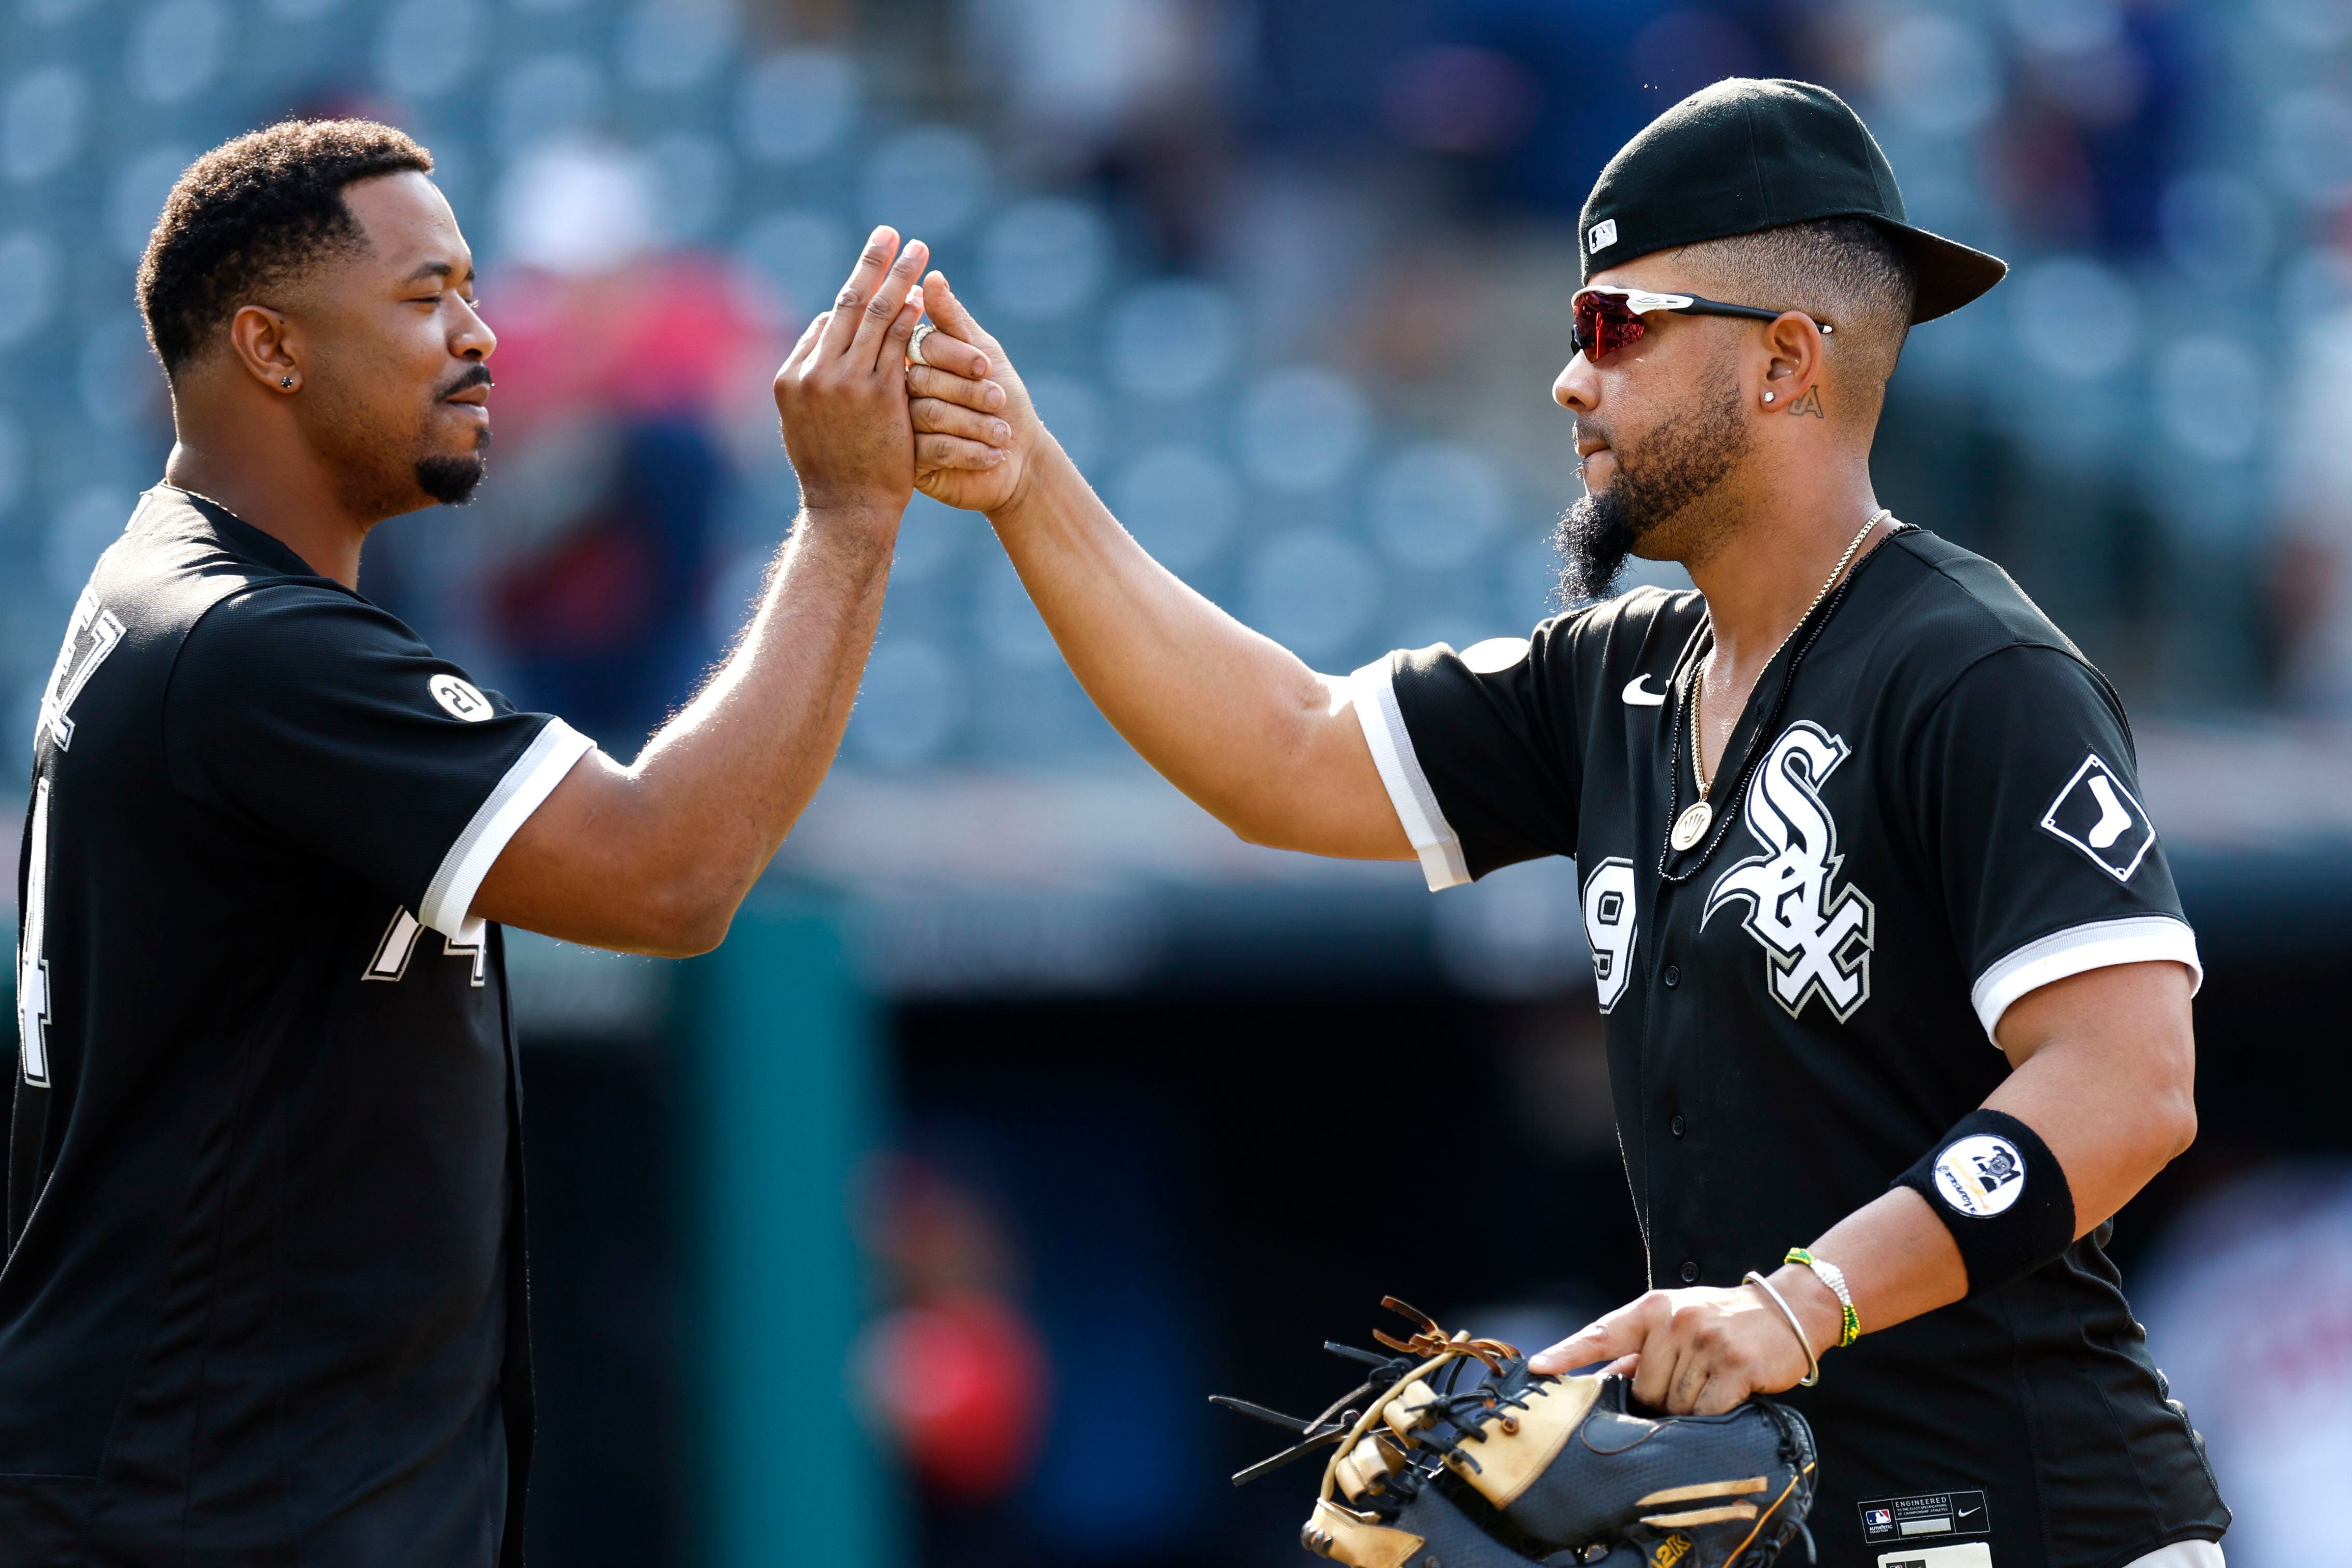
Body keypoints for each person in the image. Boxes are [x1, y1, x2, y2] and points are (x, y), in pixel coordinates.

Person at [893, 78, 2229, 1568]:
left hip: (2050, 1523)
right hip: (1798, 1528)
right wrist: (1024, 482)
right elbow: (1285, 749)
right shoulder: (1625, 678)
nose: (1569, 382)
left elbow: (2126, 1081)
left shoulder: (1972, 668)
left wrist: (1803, 1298)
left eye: (1617, 326)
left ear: (1787, 361)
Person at [4, 119, 1003, 1565]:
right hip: (214, 1515)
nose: (482, 339)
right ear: (270, 348)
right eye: (426, 298)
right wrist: (848, 516)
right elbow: (670, 872)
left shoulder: (170, 590)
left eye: (474, 291)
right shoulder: (251, 645)